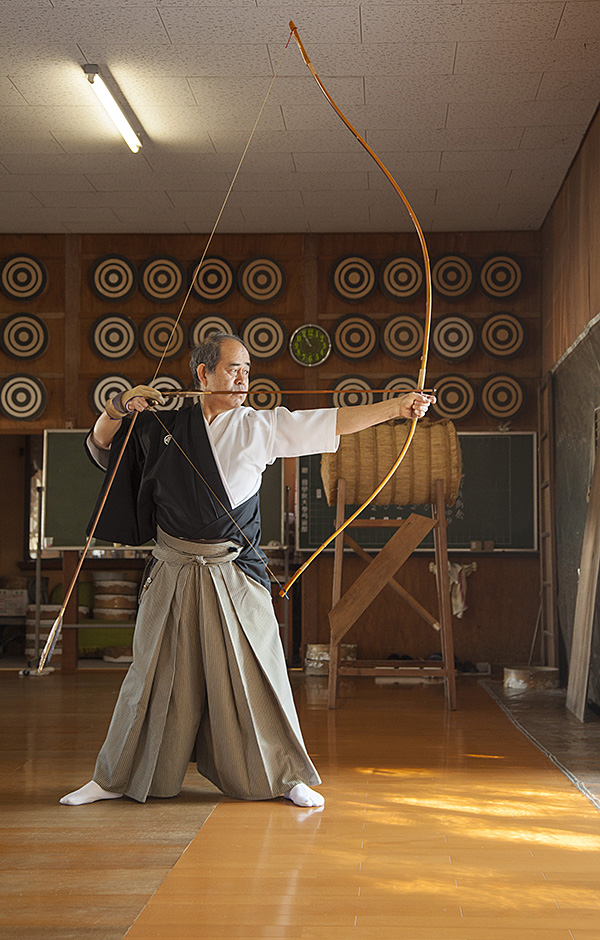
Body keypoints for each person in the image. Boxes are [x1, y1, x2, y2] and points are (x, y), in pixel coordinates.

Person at [60, 333, 434, 808]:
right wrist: (118, 406)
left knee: (260, 671)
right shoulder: (161, 424)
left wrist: (396, 407)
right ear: (203, 374)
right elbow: (99, 446)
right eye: (234, 369)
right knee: (150, 674)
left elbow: (332, 421)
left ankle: (281, 777)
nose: (243, 379)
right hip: (173, 568)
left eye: (248, 370)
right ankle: (115, 778)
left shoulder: (260, 426)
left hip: (234, 572)